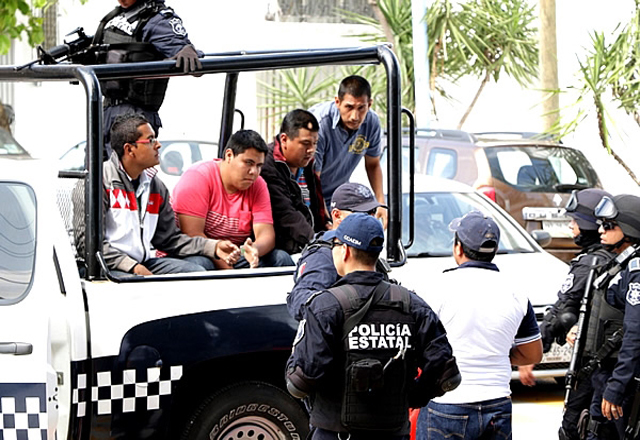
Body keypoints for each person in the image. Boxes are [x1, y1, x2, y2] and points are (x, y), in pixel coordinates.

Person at [286, 213, 461, 440]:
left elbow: (301, 382)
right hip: (392, 432)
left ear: (345, 251)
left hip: (336, 433)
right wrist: (411, 397)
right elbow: (447, 374)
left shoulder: (325, 306)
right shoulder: (412, 305)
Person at [416, 211, 543, 440]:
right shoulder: (516, 292)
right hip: (497, 404)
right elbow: (533, 354)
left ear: (458, 248)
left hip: (448, 404)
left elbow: (417, 345)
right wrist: (496, 354)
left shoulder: (436, 287)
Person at [75, 113, 219, 276]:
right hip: (108, 267)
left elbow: (169, 239)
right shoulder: (98, 181)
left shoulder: (155, 186)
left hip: (142, 263)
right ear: (130, 149)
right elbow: (87, 244)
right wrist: (132, 267)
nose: (158, 145)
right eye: (150, 140)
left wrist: (213, 247)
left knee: (199, 268)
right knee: (137, 283)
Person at [528, 189, 614, 440]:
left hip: (592, 362)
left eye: (576, 221)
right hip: (613, 364)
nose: (571, 227)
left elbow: (562, 307)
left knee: (573, 428)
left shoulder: (590, 264)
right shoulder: (620, 259)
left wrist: (534, 349)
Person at [172, 129, 294, 269]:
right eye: (248, 163)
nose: (254, 172)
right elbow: (192, 234)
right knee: (202, 265)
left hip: (235, 255)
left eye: (259, 166)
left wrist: (254, 250)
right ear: (229, 155)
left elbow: (266, 234)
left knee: (281, 258)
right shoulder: (198, 177)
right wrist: (229, 272)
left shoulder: (258, 184)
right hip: (197, 253)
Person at [93, 0, 202, 154]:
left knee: (123, 169)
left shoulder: (158, 19)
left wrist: (185, 49)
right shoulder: (116, 16)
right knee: (93, 167)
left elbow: (181, 50)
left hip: (134, 117)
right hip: (106, 110)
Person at [582, 194, 640, 439]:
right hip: (606, 372)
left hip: (623, 379)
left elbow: (635, 332)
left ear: (629, 229)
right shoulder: (621, 265)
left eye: (608, 225)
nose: (600, 230)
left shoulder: (636, 271)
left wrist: (617, 385)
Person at [287, 181, 387, 321]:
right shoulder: (324, 255)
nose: (368, 218)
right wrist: (342, 308)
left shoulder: (365, 246)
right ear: (337, 215)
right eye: (360, 213)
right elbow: (302, 302)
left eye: (372, 212)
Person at [309, 75, 388, 228]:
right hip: (310, 198)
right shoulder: (320, 124)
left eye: (361, 108)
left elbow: (373, 164)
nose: (355, 116)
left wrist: (380, 203)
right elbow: (313, 179)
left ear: (369, 104)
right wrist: (327, 221)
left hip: (338, 198)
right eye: (349, 107)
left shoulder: (372, 122)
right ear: (337, 102)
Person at [260, 109, 330, 254]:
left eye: (315, 143)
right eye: (305, 143)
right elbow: (286, 214)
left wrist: (327, 228)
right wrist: (317, 241)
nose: (311, 150)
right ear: (284, 139)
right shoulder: (267, 165)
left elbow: (315, 206)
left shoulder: (306, 163)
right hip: (283, 247)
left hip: (308, 242)